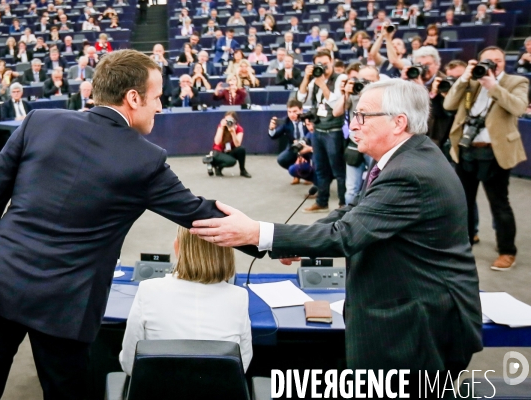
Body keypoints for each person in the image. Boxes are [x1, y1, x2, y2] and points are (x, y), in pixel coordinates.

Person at [0, 49, 262, 399]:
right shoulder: (147, 160)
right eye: (157, 98)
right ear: (133, 98)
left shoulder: (39, 121)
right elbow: (201, 215)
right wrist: (269, 241)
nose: (159, 107)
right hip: (65, 305)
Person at [190, 80, 484, 394]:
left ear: (399, 122)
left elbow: (346, 234)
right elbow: (352, 211)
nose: (353, 126)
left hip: (417, 325)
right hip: (408, 309)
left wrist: (257, 233)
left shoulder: (409, 171)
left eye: (363, 117)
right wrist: (293, 243)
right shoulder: (405, 158)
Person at [119, 226, 252, 374]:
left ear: (177, 247)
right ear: (227, 251)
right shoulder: (239, 296)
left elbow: (130, 364)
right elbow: (242, 365)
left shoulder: (148, 290)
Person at [444, 46, 529, 271]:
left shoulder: (516, 81)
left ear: (504, 62)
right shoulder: (471, 80)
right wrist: (464, 77)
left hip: (496, 152)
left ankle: (507, 251)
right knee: (463, 202)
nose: (493, 64)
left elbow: (518, 107)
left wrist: (493, 86)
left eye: (498, 60)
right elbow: (448, 104)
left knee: (499, 204)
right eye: (488, 60)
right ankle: (465, 242)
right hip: (466, 150)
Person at [297, 50, 346, 212]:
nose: (323, 67)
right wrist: (306, 77)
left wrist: (322, 84)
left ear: (332, 61)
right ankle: (322, 202)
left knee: (338, 170)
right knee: (321, 168)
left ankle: (342, 205)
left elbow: (336, 103)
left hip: (334, 130)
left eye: (326, 63)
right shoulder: (315, 80)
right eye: (320, 64)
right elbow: (301, 98)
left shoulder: (341, 79)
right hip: (318, 131)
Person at [331, 65, 380, 205]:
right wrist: (346, 93)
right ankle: (348, 220)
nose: (365, 84)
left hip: (375, 145)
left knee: (374, 186)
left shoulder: (384, 97)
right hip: (355, 144)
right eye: (362, 80)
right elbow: (336, 112)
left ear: (378, 81)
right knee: (351, 189)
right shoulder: (354, 94)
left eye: (369, 81)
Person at [268, 99, 311, 182]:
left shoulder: (308, 119)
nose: (292, 115)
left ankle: (310, 175)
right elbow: (274, 136)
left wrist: (303, 143)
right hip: (294, 147)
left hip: (309, 146)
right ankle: (297, 174)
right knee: (281, 159)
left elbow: (313, 134)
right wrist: (271, 128)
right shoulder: (286, 121)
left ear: (301, 110)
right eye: (289, 112)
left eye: (295, 111)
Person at [205, 112, 251, 178]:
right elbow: (217, 142)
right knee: (232, 161)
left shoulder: (239, 129)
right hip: (218, 152)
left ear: (235, 121)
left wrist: (233, 132)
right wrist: (222, 127)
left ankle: (242, 170)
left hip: (228, 151)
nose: (228, 122)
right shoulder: (221, 127)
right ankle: (216, 165)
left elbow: (237, 145)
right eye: (226, 120)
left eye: (230, 120)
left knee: (241, 149)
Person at [151, 44, 173, 108]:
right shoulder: (149, 62)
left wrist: (163, 61)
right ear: (153, 52)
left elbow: (172, 71)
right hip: (153, 89)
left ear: (163, 52)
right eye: (156, 51)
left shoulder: (168, 62)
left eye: (160, 51)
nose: (158, 53)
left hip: (165, 89)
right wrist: (149, 61)